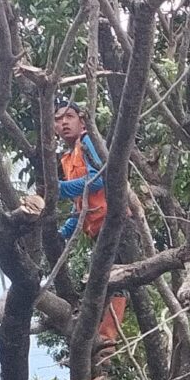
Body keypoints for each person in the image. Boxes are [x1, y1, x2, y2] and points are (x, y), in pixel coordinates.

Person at [49, 100, 126, 345]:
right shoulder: (67, 158)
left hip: (116, 223)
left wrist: (57, 188)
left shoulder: (89, 143)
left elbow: (99, 180)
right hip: (97, 230)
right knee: (102, 282)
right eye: (58, 119)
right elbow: (79, 204)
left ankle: (107, 338)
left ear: (82, 123)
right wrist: (63, 233)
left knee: (117, 281)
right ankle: (96, 338)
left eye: (69, 116)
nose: (63, 122)